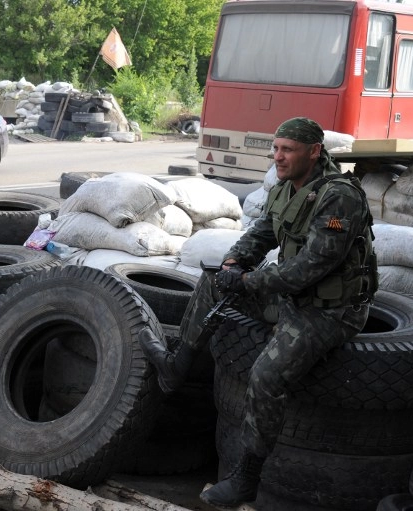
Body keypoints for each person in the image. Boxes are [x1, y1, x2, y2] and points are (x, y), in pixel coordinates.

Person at [139, 117, 378, 508]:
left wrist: (249, 283)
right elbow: (261, 232)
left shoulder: (340, 197)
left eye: (287, 150)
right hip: (289, 295)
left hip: (330, 310)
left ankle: (246, 478)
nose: (277, 157)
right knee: (212, 280)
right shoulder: (286, 186)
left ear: (314, 152)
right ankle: (176, 365)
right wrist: (235, 263)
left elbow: (312, 267)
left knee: (265, 377)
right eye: (276, 148)